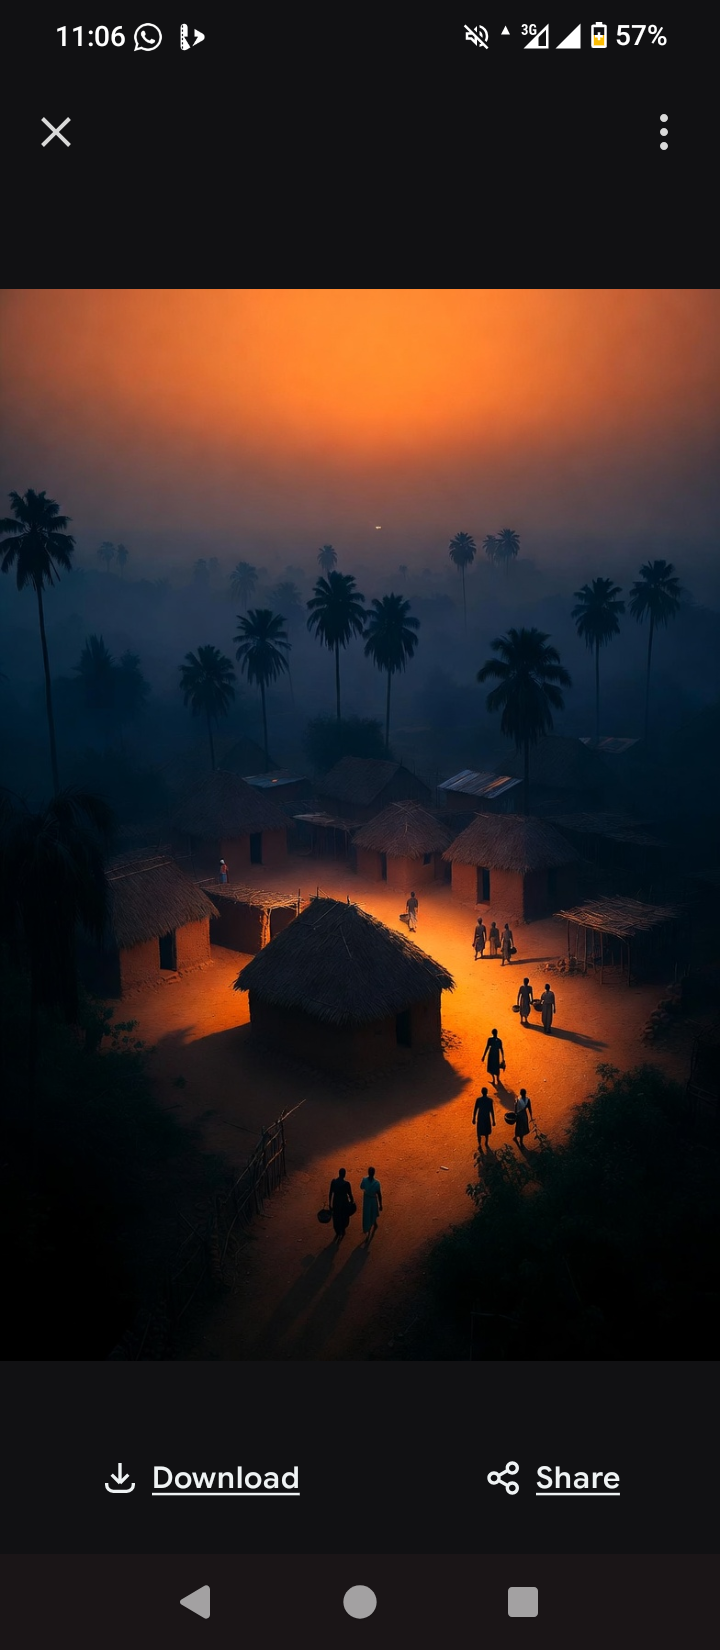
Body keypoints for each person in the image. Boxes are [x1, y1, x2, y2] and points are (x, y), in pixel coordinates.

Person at [328, 1167, 355, 1244]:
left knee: (336, 1218)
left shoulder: (333, 1182)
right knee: (344, 1218)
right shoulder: (346, 1184)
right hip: (344, 1203)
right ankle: (342, 1231)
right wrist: (352, 1202)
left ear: (339, 1174)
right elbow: (350, 1194)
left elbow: (330, 1193)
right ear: (344, 1175)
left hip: (336, 1203)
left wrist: (329, 1203)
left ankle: (337, 1232)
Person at [360, 1166, 383, 1244]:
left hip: (367, 1200)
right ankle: (374, 1224)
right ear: (374, 1174)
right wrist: (381, 1204)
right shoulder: (377, 1183)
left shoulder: (364, 1180)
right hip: (373, 1200)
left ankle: (368, 1232)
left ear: (368, 1173)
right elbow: (379, 1194)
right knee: (372, 1213)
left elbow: (361, 1187)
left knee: (367, 1215)